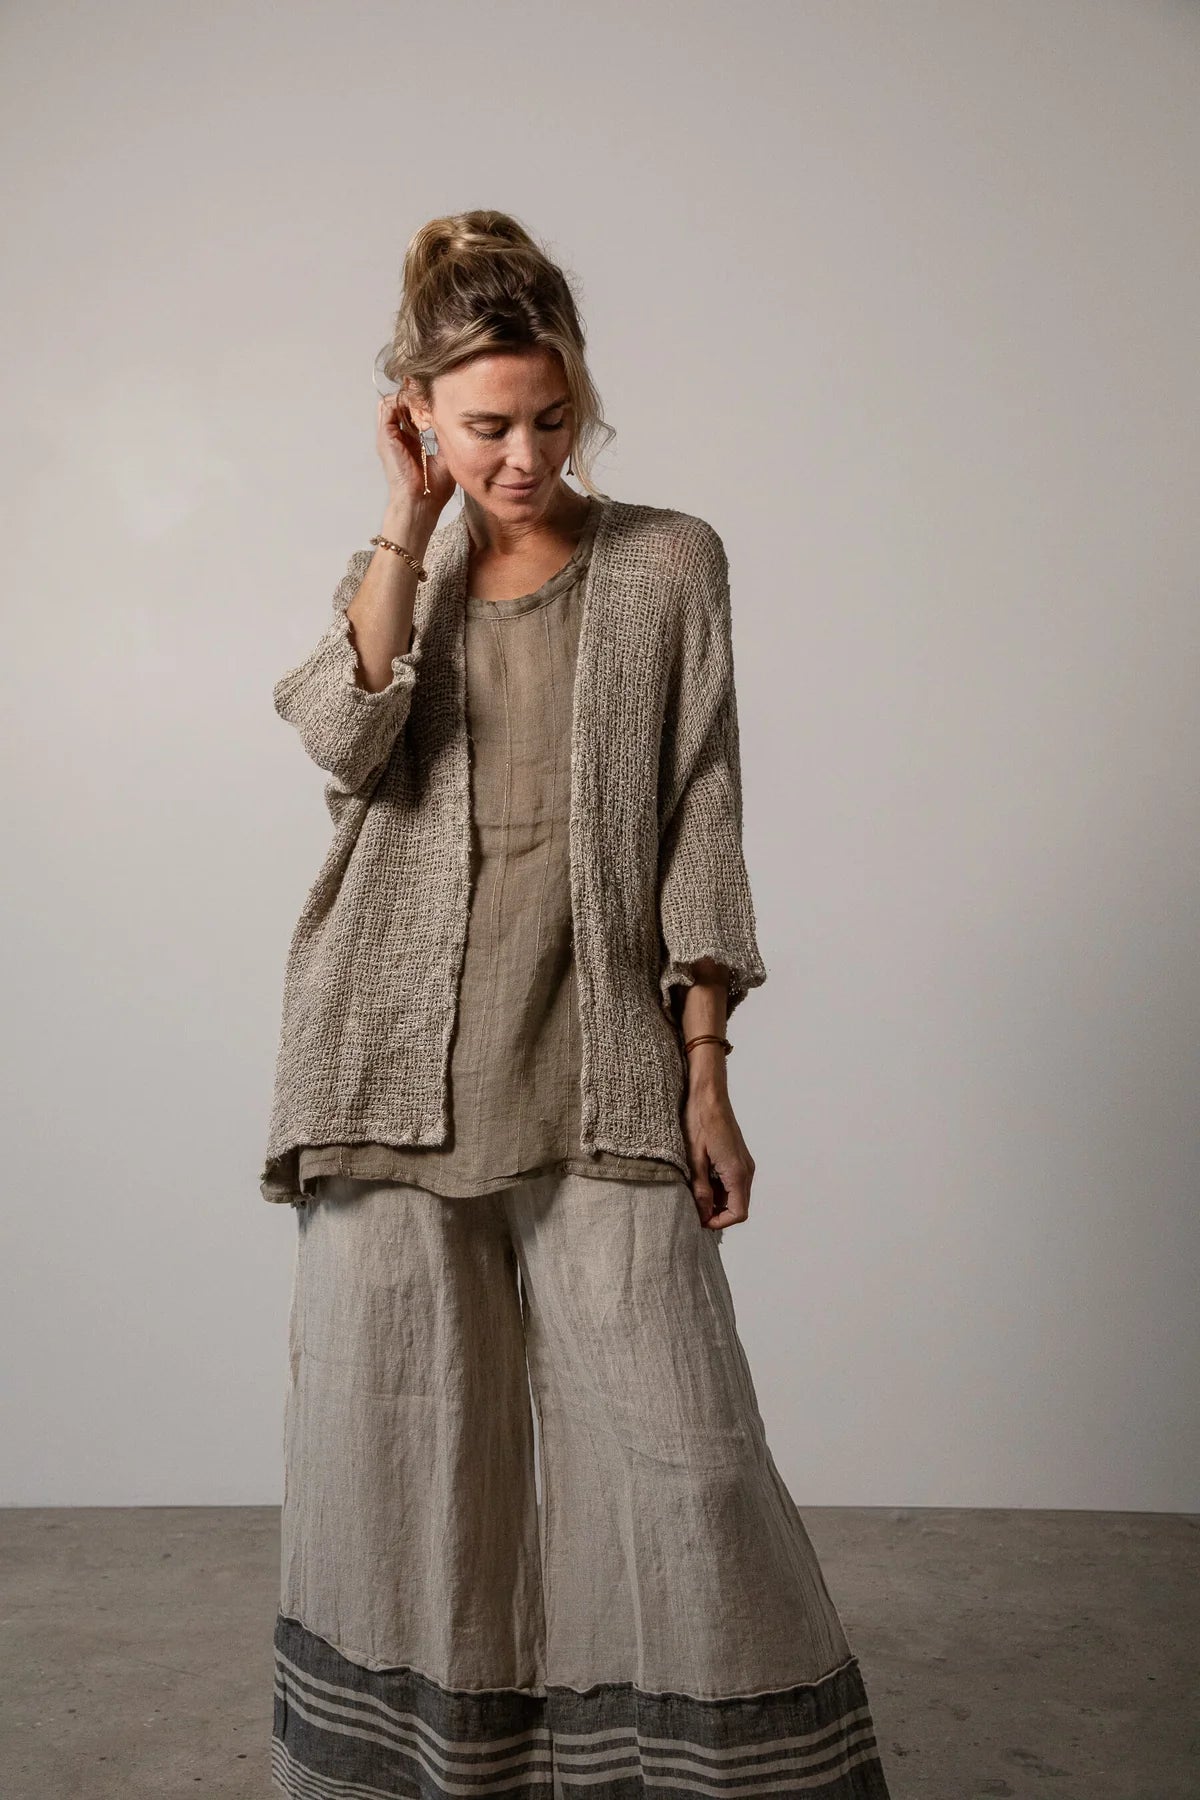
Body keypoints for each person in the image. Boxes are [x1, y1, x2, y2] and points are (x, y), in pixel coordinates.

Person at [263, 209, 893, 1800]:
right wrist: (407, 524)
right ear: (417, 414)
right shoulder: (399, 580)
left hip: (600, 1062)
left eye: (552, 418)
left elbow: (703, 817)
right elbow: (342, 740)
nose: (527, 456)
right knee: (416, 1457)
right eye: (486, 426)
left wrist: (706, 1071)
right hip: (391, 1068)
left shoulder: (669, 563)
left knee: (687, 1456)